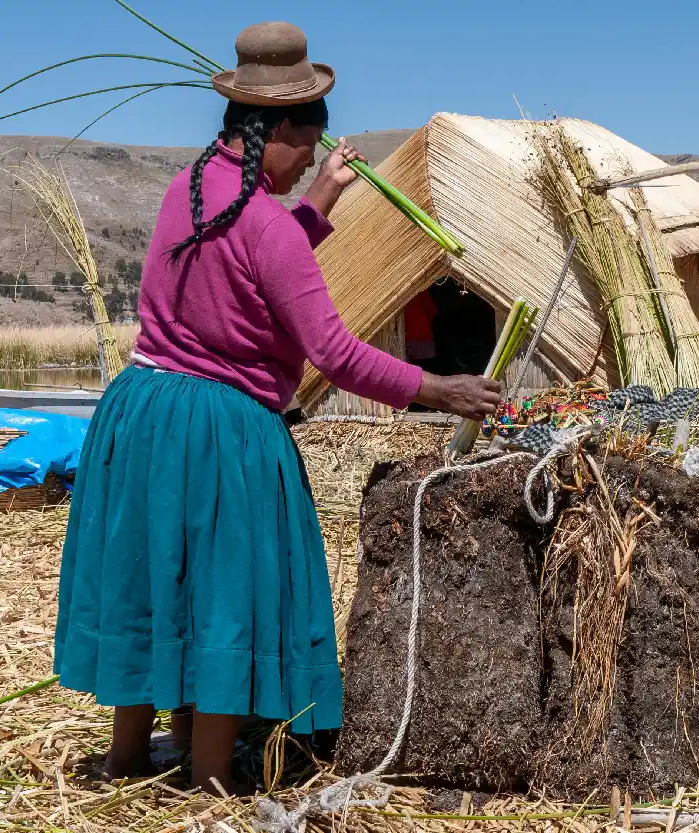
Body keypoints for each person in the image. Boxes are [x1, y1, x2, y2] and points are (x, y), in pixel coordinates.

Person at [54, 22, 500, 793]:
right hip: (222, 429)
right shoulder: (265, 223)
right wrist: (441, 389)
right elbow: (333, 351)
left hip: (144, 412)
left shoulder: (190, 188)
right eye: (306, 149)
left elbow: (250, 256)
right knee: (225, 591)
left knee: (158, 583)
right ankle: (211, 781)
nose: (306, 166)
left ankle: (126, 757)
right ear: (276, 131)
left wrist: (322, 197)